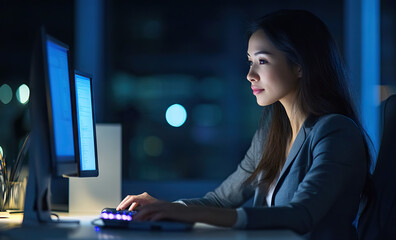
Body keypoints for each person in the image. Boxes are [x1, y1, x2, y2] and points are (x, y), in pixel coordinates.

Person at [117, 9, 372, 240]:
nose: (250, 75)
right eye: (250, 61)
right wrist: (170, 208)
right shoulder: (270, 135)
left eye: (262, 61)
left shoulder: (336, 132)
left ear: (300, 66)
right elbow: (221, 199)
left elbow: (301, 216)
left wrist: (185, 214)